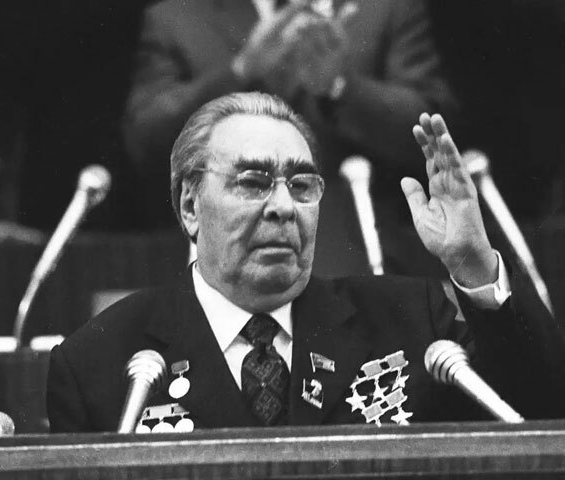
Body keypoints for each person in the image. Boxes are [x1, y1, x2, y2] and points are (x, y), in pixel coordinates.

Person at [47, 92, 565, 432]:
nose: (282, 206)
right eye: (253, 182)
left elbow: (542, 414)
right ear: (190, 205)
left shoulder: (413, 323)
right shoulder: (100, 362)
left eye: (300, 185)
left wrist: (474, 266)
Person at [123, 0, 458, 276]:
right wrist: (240, 70)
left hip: (360, 255)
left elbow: (431, 130)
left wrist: (339, 86)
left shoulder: (385, 8)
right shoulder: (176, 16)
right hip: (222, 259)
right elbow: (145, 139)